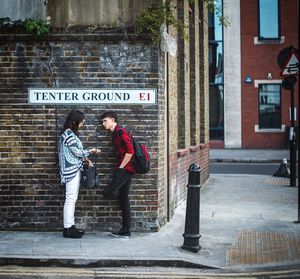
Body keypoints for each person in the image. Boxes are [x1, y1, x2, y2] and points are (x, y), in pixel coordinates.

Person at [59, 109, 100, 238]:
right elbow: (77, 152)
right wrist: (91, 151)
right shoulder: (69, 134)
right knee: (70, 198)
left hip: (72, 169)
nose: (82, 123)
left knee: (71, 198)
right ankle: (68, 228)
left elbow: (75, 152)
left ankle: (70, 227)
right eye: (81, 121)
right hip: (71, 171)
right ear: (75, 121)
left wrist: (86, 159)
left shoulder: (69, 134)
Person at [100, 111, 136, 238]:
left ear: (113, 120)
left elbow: (130, 151)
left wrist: (121, 168)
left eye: (105, 120)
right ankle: (126, 230)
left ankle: (126, 230)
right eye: (102, 121)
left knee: (107, 192)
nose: (103, 123)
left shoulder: (121, 131)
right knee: (123, 198)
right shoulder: (115, 134)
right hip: (125, 169)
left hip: (126, 169)